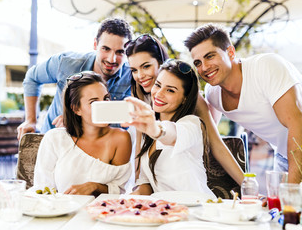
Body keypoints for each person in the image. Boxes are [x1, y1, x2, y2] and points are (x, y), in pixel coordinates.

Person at [184, 23, 302, 183]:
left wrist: (291, 191)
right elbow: (209, 140)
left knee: (288, 206)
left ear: (230, 52)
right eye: (197, 62)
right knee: (279, 207)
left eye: (210, 56)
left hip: (297, 149)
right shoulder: (213, 94)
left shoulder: (266, 67)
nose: (204, 67)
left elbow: (297, 124)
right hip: (284, 156)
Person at [125, 34, 244, 185]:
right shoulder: (141, 91)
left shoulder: (191, 99)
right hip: (156, 180)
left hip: (185, 173)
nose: (140, 76)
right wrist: (139, 186)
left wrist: (247, 184)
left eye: (146, 66)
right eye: (134, 70)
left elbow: (214, 143)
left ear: (161, 63)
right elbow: (140, 147)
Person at [17, 18, 133, 139]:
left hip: (102, 150)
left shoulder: (132, 75)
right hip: (54, 143)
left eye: (120, 52)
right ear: (95, 44)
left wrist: (74, 122)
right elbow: (32, 78)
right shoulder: (66, 63)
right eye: (106, 49)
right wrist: (30, 120)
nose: (111, 59)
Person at [123, 59, 214, 196]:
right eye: (158, 85)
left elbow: (171, 134)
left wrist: (155, 129)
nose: (159, 94)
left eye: (170, 90)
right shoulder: (148, 132)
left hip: (199, 210)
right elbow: (147, 184)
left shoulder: (193, 124)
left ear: (184, 98)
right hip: (166, 211)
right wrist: (126, 201)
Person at [33, 71, 132, 195]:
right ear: (76, 109)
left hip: (103, 212)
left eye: (106, 98)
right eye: (94, 102)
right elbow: (43, 189)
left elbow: (119, 190)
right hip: (60, 210)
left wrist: (95, 187)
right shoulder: (54, 139)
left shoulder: (121, 139)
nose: (104, 106)